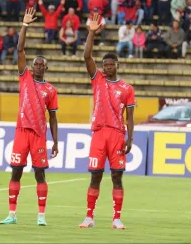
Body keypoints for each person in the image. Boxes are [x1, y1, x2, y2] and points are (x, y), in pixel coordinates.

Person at [0, 8, 59, 226]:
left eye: (42, 65)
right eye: (36, 65)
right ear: (32, 67)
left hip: (39, 136)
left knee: (39, 174)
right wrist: (24, 25)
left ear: (47, 68)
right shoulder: (24, 77)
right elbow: (20, 49)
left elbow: (53, 118)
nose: (38, 67)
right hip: (21, 133)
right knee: (16, 172)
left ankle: (41, 216)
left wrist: (55, 141)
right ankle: (11, 214)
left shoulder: (51, 90)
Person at [79, 12, 135, 229]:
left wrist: (130, 138)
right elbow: (86, 56)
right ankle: (89, 216)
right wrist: (91, 33)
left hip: (117, 135)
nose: (107, 67)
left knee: (117, 177)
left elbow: (130, 117)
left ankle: (117, 217)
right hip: (99, 134)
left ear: (117, 65)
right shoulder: (98, 79)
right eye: (105, 65)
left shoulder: (127, 89)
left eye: (111, 65)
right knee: (95, 176)